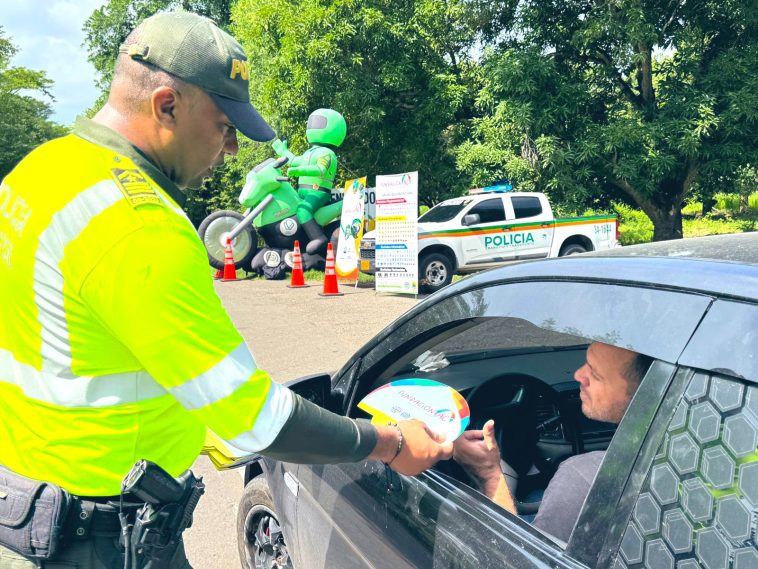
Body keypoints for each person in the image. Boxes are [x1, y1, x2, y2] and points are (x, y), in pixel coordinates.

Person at [0, 11, 452, 568]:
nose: (233, 148)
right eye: (224, 125)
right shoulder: (138, 225)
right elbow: (255, 419)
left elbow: (93, 339)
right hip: (102, 540)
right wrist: (391, 443)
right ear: (166, 104)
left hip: (30, 511)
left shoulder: (43, 170)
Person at [453, 342, 652, 543]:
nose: (578, 376)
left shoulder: (585, 477)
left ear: (645, 392)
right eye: (586, 363)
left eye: (596, 375)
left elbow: (521, 562)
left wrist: (490, 476)